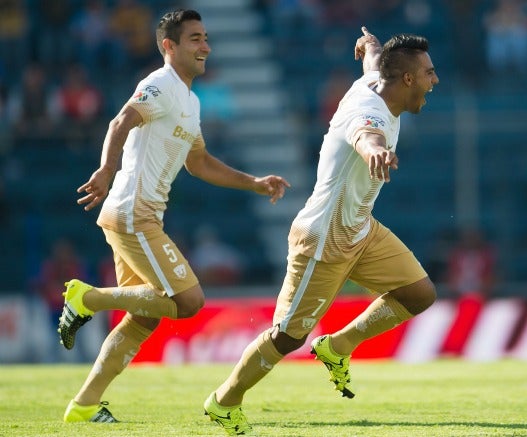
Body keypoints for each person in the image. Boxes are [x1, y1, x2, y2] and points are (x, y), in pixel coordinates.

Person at [56, 9, 290, 424]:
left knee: (145, 316)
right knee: (188, 301)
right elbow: (121, 120)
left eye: (206, 38)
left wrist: (253, 182)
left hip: (137, 217)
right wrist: (106, 170)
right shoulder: (159, 84)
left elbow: (199, 162)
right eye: (196, 39)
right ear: (170, 46)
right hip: (134, 212)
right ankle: (86, 298)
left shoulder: (190, 100)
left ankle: (84, 405)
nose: (206, 47)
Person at [202, 26, 439, 435]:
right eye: (429, 74)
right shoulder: (369, 114)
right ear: (407, 80)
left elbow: (373, 61)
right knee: (287, 337)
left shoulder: (376, 80)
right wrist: (376, 150)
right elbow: (365, 134)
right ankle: (224, 401)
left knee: (419, 294)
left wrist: (370, 46)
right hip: (323, 238)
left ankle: (338, 346)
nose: (434, 81)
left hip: (360, 230)